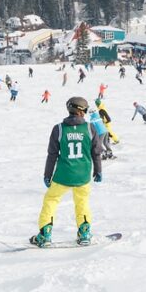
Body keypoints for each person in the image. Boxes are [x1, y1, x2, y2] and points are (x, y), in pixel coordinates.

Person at [29, 97, 103, 247]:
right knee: (82, 201)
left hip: (63, 175)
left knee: (51, 199)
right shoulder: (89, 128)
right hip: (83, 176)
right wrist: (98, 170)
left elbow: (52, 154)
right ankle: (84, 232)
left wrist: (47, 174)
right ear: (82, 111)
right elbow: (96, 152)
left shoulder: (59, 129)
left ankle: (45, 234)